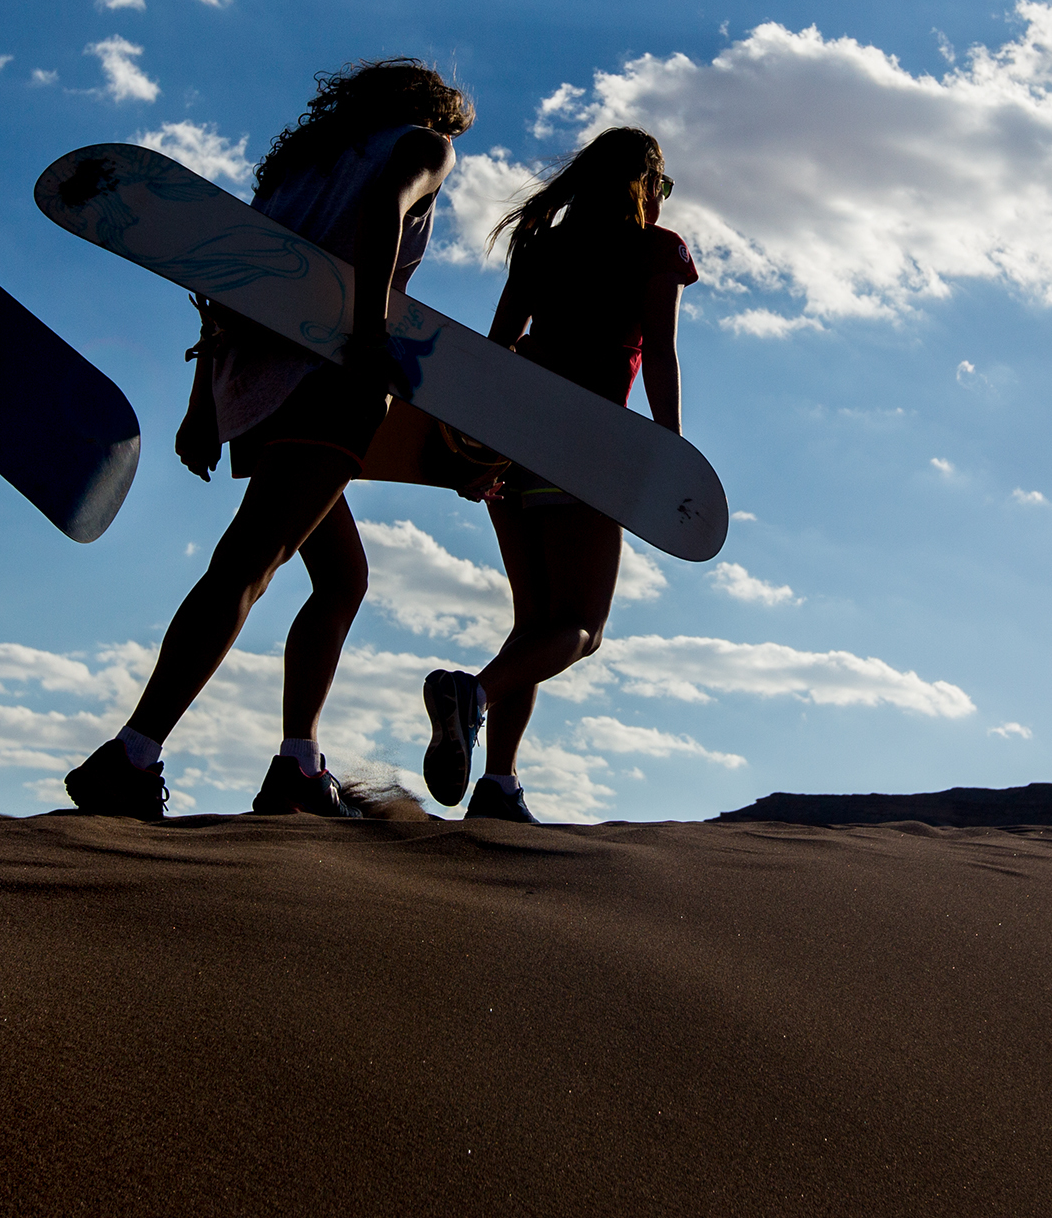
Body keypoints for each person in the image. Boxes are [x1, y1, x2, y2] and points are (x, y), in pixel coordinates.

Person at [63, 61, 471, 820]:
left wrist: (204, 405)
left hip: (251, 386)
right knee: (245, 566)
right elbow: (387, 206)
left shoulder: (297, 168)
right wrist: (371, 335)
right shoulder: (423, 146)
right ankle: (132, 752)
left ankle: (298, 763)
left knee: (340, 579)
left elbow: (223, 280)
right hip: (331, 376)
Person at [419, 128, 695, 823]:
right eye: (659, 187)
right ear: (646, 185)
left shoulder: (541, 246)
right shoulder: (656, 249)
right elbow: (658, 351)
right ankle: (473, 697)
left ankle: (499, 785)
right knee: (581, 627)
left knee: (535, 624)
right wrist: (670, 450)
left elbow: (498, 346)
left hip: (512, 443)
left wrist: (475, 447)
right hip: (590, 447)